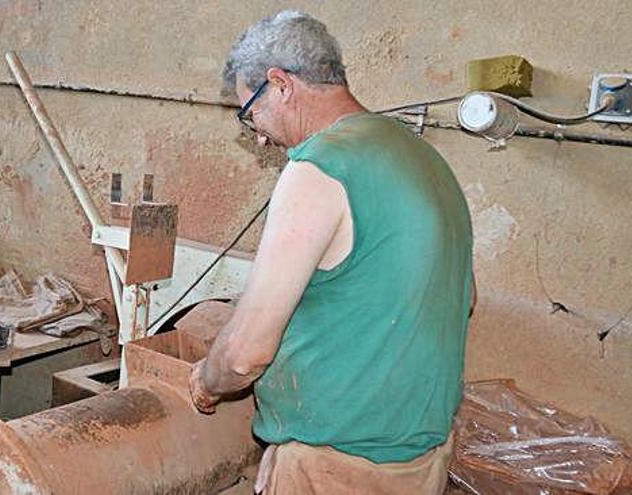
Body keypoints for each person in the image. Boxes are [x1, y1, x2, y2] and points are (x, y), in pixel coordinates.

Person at [188, 10, 475, 494]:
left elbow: (244, 355)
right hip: (422, 459)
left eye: (249, 113)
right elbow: (460, 301)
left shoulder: (318, 168)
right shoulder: (425, 158)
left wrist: (206, 381)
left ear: (280, 84)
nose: (257, 134)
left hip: (338, 466)